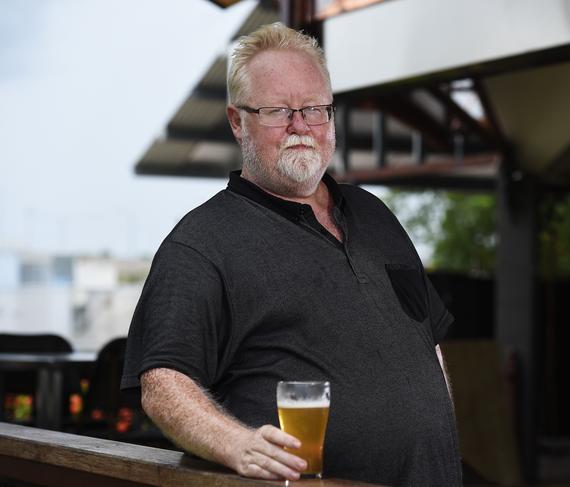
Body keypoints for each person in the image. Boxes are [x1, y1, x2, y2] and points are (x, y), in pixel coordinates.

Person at [121, 22, 462, 487]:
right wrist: (237, 445)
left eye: (315, 109)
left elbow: (429, 345)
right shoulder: (201, 243)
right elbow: (163, 384)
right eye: (279, 111)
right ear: (237, 121)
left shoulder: (374, 214)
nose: (301, 127)